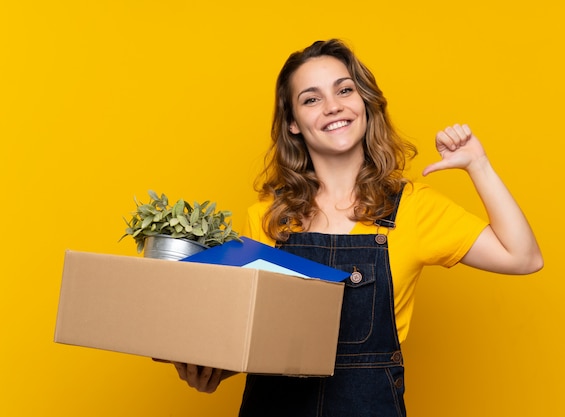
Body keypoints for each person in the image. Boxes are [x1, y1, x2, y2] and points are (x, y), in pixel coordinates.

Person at [172, 39, 543, 416]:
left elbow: (523, 257)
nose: (333, 106)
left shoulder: (413, 207)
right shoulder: (268, 217)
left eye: (344, 90)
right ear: (293, 124)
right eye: (311, 99)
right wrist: (215, 370)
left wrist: (478, 165)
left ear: (364, 102)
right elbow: (257, 336)